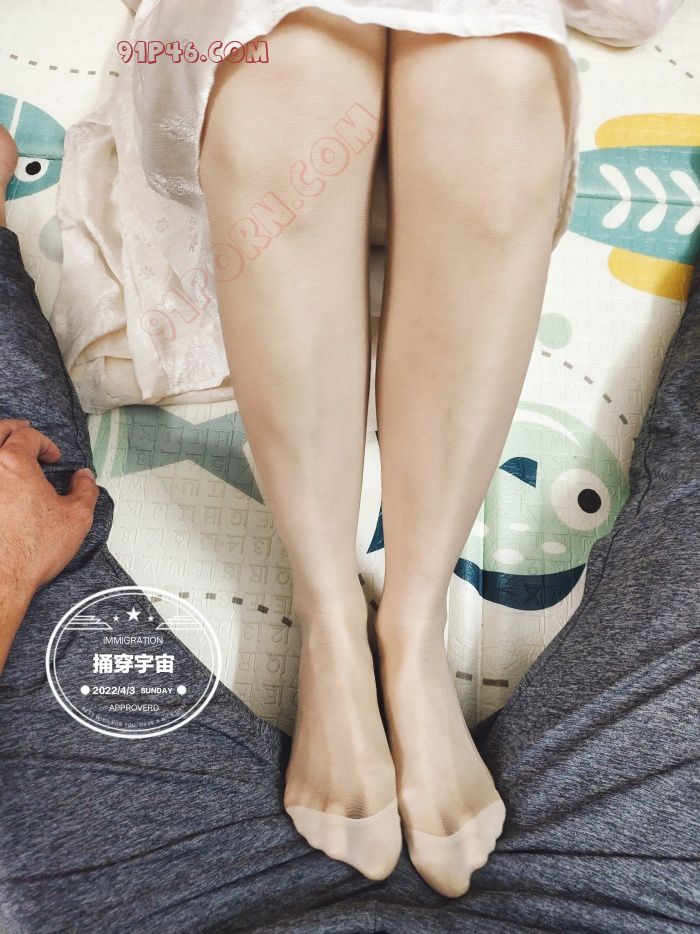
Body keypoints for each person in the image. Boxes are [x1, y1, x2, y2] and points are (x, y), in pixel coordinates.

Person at [50, 0, 684, 890]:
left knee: (494, 73)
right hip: (283, 139)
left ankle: (412, 625)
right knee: (289, 63)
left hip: (446, 145)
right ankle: (329, 618)